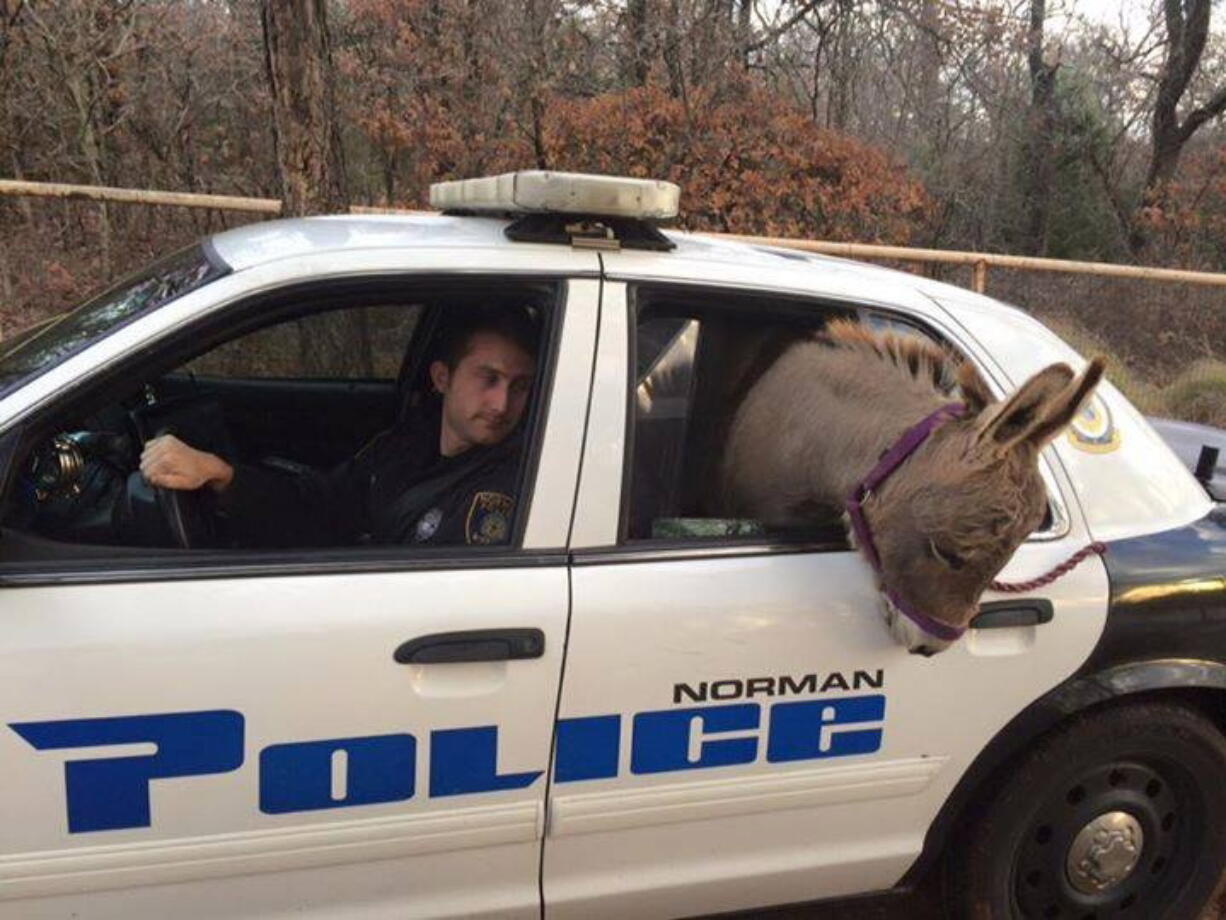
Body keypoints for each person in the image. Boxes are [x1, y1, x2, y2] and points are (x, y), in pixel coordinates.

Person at [139, 306, 538, 548]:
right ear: (441, 378)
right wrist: (222, 476)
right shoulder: (409, 440)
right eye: (488, 379)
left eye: (519, 386)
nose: (502, 404)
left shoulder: (513, 483)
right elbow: (326, 504)